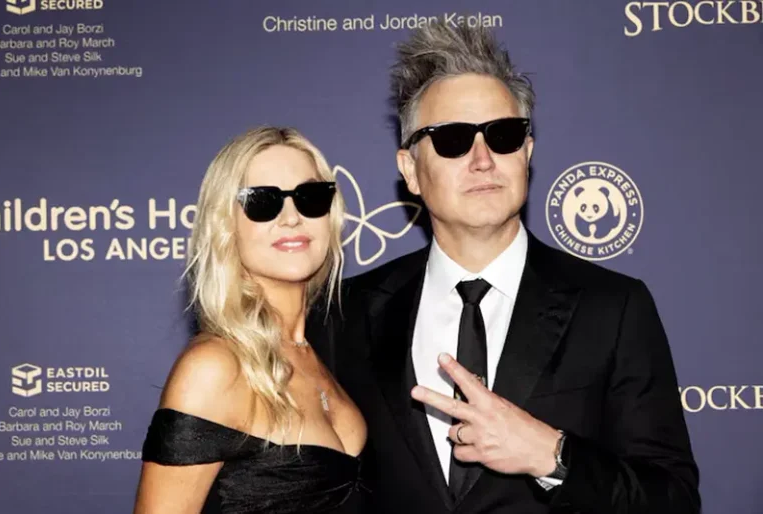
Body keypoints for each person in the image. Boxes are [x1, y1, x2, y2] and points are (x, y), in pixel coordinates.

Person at [316, 22, 700, 514]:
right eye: (452, 139)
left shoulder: (614, 307)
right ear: (410, 170)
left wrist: (552, 455)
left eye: (503, 135)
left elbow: (672, 501)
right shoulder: (343, 316)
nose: (482, 159)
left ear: (527, 153)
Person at [134, 127, 368, 514]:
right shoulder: (214, 367)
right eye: (263, 202)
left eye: (310, 198)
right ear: (225, 225)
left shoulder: (325, 351)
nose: (292, 218)